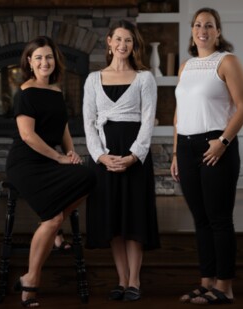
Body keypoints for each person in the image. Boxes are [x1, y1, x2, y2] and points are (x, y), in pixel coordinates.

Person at [5, 36, 96, 307]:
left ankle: (50, 231)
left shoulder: (56, 91)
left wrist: (70, 153)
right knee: (54, 218)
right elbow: (28, 136)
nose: (45, 62)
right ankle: (30, 282)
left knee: (89, 176)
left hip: (50, 161)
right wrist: (58, 157)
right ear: (29, 63)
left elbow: (63, 129)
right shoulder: (25, 93)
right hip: (25, 164)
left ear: (55, 61)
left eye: (48, 57)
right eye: (38, 58)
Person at [171, 7, 243, 305]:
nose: (202, 30)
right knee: (200, 219)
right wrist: (176, 152)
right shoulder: (186, 66)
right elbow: (179, 113)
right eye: (197, 25)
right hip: (187, 147)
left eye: (209, 25)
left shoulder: (227, 62)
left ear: (218, 31)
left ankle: (224, 286)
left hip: (216, 146)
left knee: (219, 219)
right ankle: (206, 282)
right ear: (192, 30)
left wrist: (223, 142)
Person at [83, 20, 160, 302]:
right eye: (118, 39)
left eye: (128, 40)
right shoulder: (93, 79)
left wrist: (133, 157)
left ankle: (134, 280)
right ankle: (121, 278)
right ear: (109, 41)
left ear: (133, 44)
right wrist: (101, 157)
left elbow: (149, 121)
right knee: (112, 219)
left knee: (133, 218)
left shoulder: (144, 78)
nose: (123, 45)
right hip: (105, 157)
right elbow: (88, 123)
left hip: (133, 159)